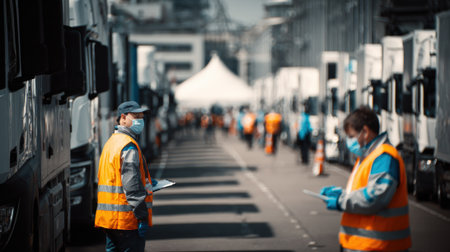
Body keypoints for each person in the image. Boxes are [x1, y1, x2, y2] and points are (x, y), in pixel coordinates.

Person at [320, 106, 411, 252]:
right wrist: (341, 194)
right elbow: (363, 191)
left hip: (377, 246)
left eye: (351, 136)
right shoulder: (367, 157)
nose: (349, 141)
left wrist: (341, 200)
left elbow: (375, 197)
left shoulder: (384, 157)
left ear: (365, 131)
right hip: (362, 244)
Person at [95, 101, 153, 252]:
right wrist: (142, 216)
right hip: (126, 221)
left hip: (109, 220)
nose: (140, 120)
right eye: (136, 116)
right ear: (123, 118)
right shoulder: (128, 146)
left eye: (142, 116)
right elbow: (132, 186)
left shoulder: (111, 142)